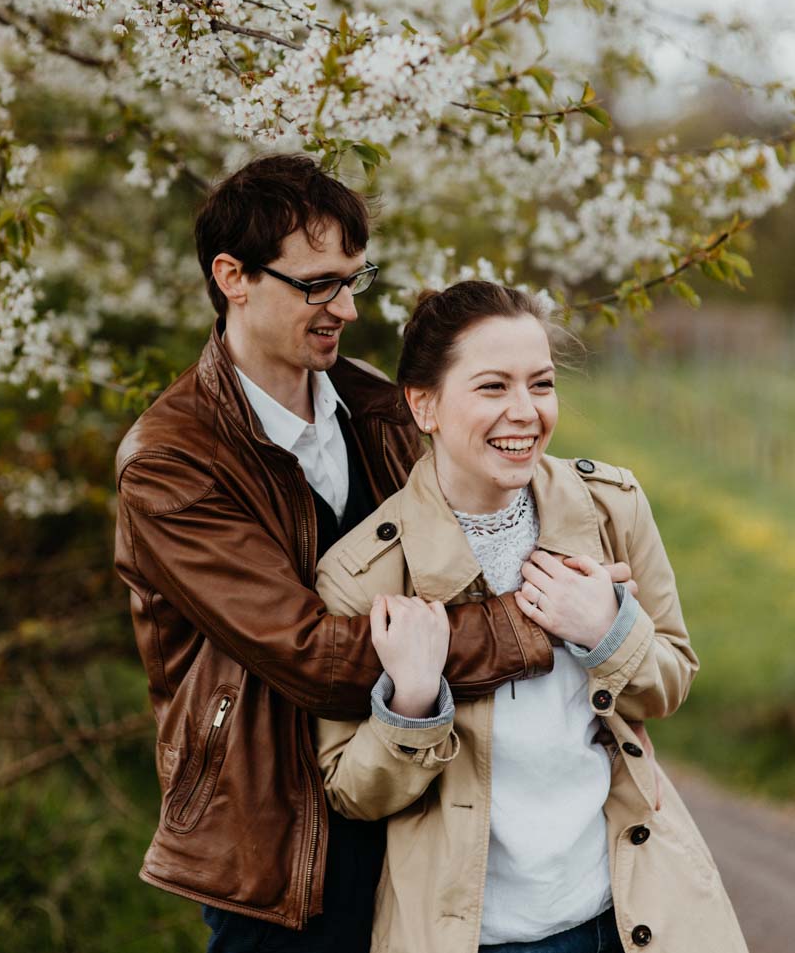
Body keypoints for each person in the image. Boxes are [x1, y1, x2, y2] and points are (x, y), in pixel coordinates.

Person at [114, 157, 570, 953]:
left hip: (417, 794)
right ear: (233, 277)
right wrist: (529, 626)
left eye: (355, 279)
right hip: (277, 844)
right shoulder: (170, 462)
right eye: (320, 284)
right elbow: (312, 655)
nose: (348, 308)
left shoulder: (380, 408)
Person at [315, 280, 748, 953]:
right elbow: (351, 792)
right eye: (492, 387)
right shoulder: (361, 572)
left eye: (540, 384)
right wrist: (413, 701)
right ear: (422, 403)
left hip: (627, 912)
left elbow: (670, 681)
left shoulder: (612, 506)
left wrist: (607, 629)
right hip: (472, 935)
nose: (524, 411)